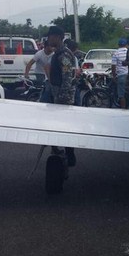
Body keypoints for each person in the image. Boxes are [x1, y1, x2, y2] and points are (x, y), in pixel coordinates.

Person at [47, 26, 77, 167]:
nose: (49, 39)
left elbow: (67, 78)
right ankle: (66, 154)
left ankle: (70, 156)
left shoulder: (63, 55)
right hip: (57, 96)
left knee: (65, 128)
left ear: (58, 37)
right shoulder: (57, 53)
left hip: (62, 99)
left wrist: (61, 98)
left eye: (51, 36)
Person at [111, 38, 128, 109]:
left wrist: (114, 76)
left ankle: (123, 109)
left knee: (122, 95)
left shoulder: (116, 53)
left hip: (121, 76)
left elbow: (113, 66)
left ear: (118, 45)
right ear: (126, 45)